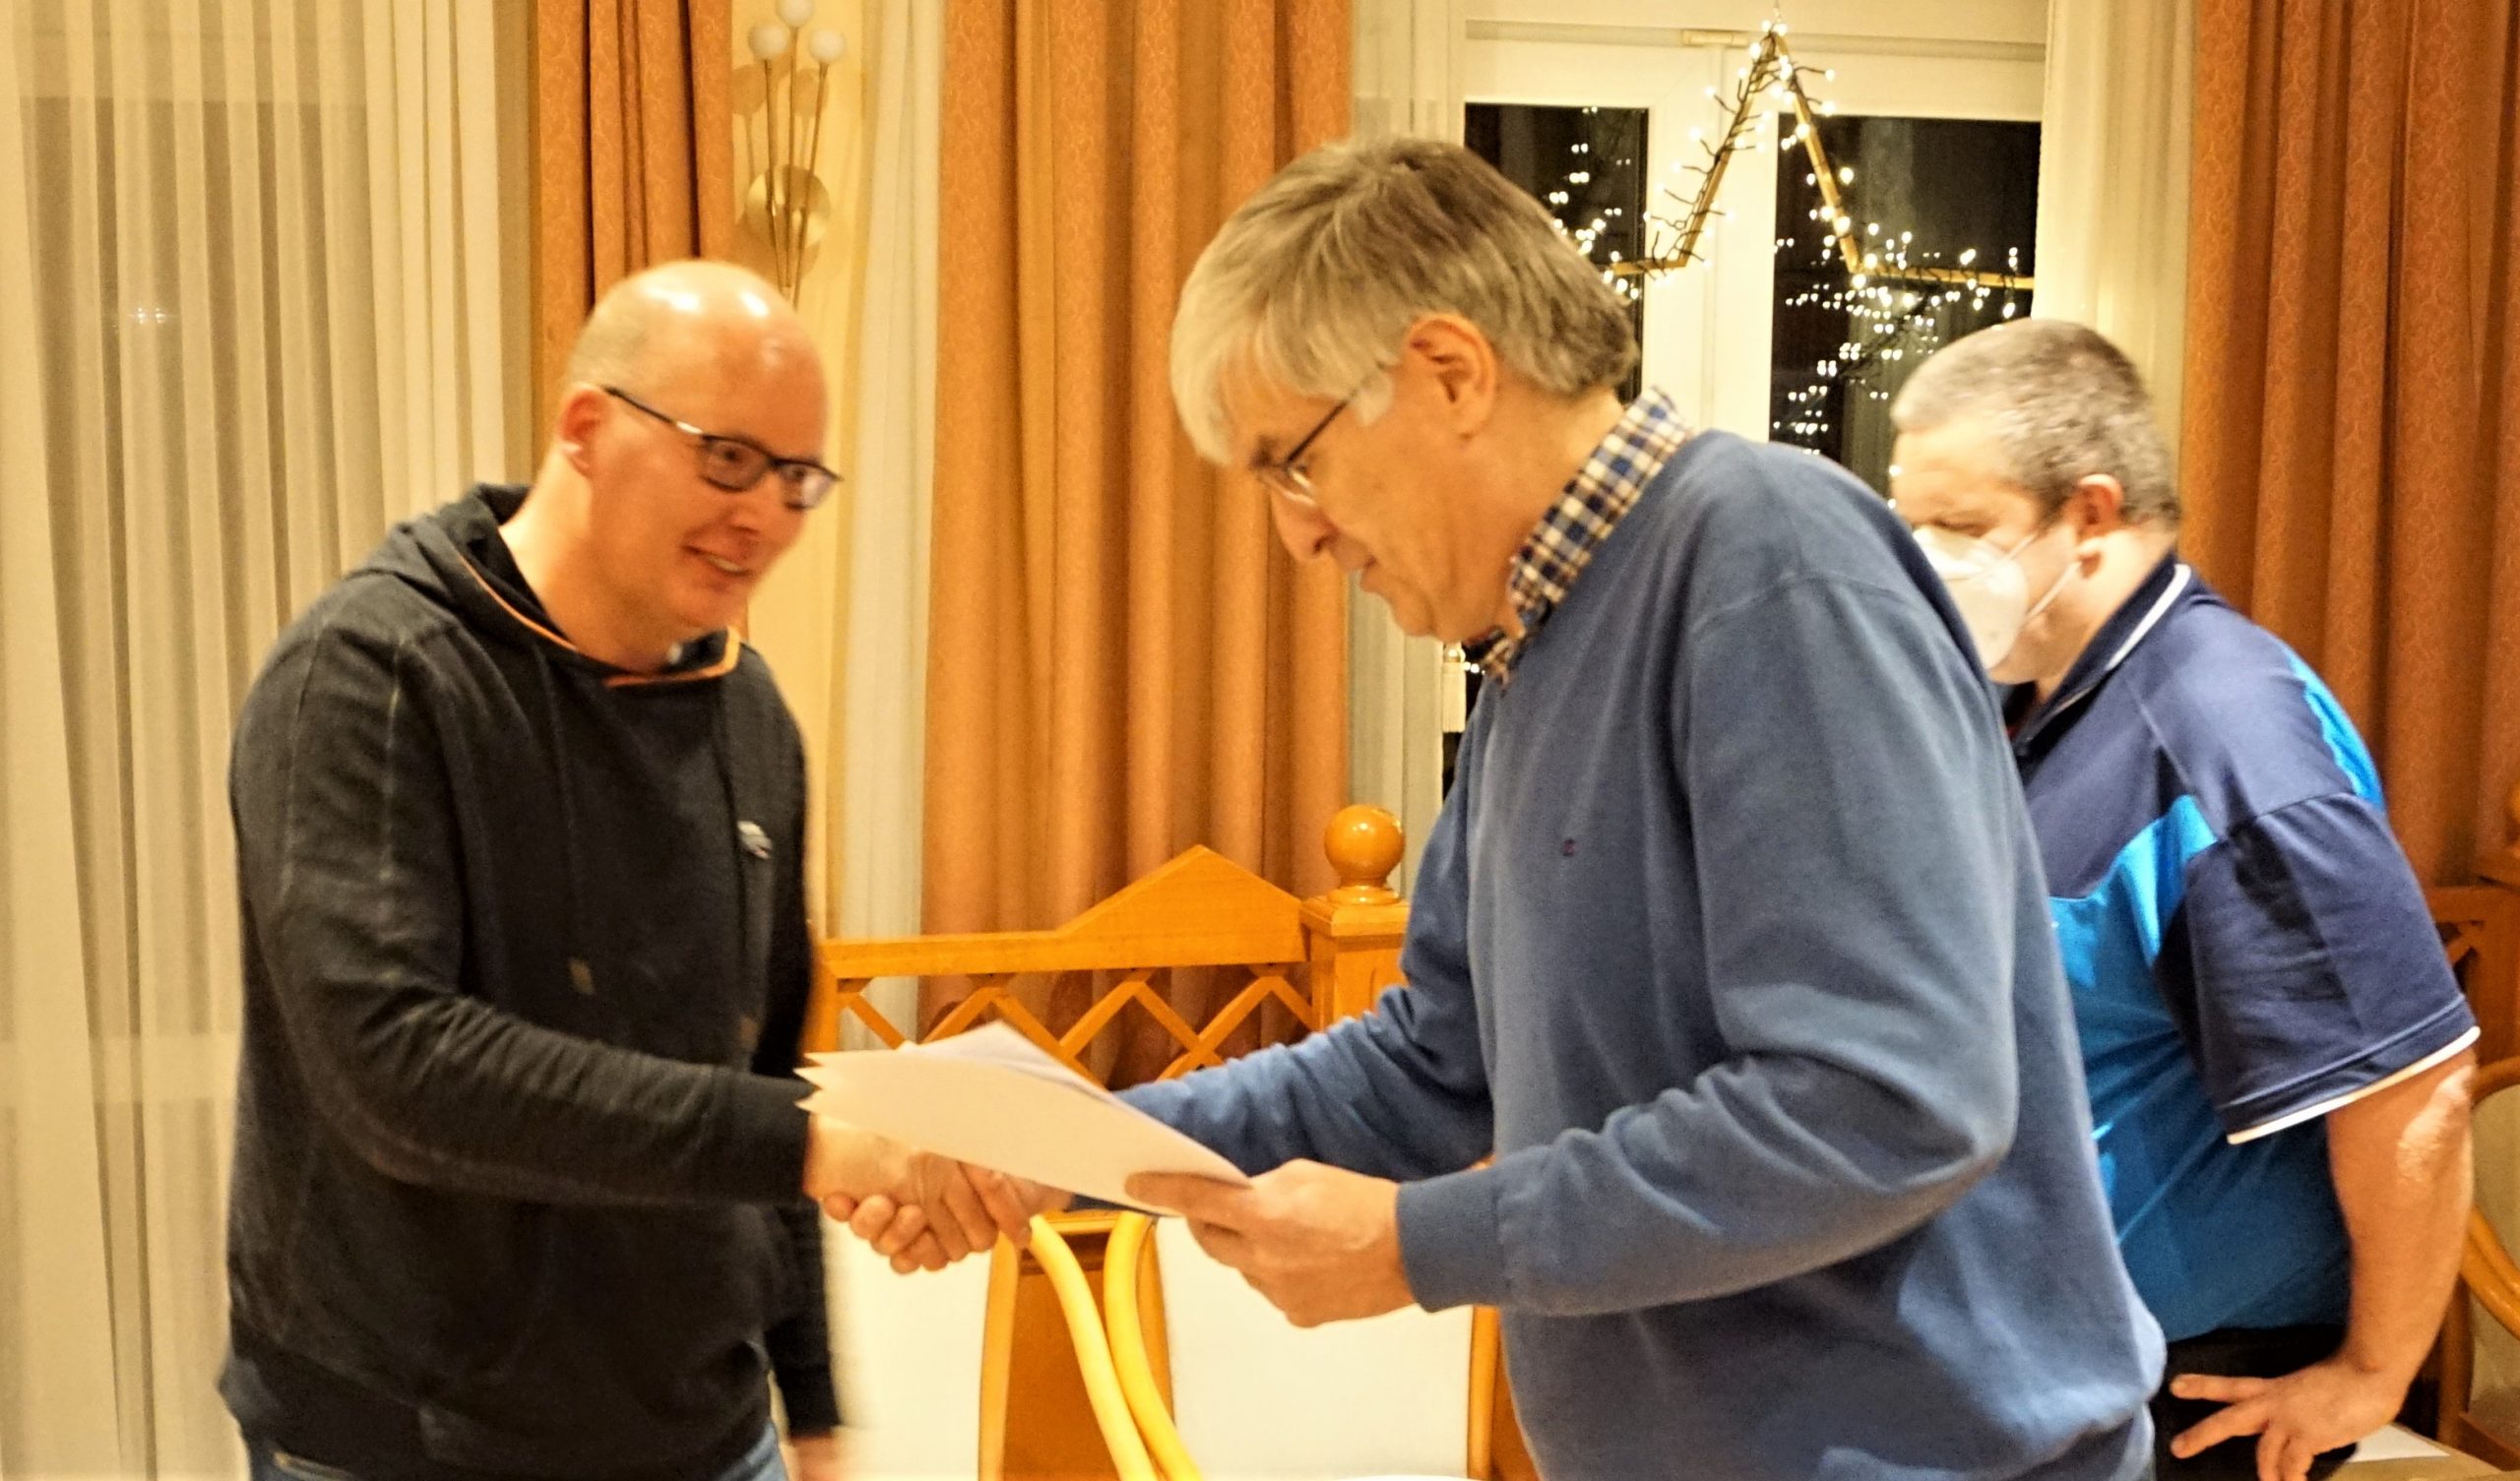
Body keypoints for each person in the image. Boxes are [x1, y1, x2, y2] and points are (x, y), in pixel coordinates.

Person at [849, 137, 2166, 1481]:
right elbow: (1433, 1067)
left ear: (1449, 372)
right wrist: (1056, 1146)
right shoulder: (1535, 654)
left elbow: (1888, 1100)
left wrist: (1421, 1245)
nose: (1296, 532)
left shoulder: (1765, 557)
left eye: (1291, 462)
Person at [220, 260, 1028, 1481]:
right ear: (587, 428)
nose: (763, 515)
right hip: (406, 1440)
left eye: (797, 479)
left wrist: (812, 1403)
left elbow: (768, 1069)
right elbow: (394, 1069)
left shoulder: (749, 712)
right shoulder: (369, 674)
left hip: (711, 1430)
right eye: (727, 458)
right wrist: (814, 1139)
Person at [1888, 319, 2478, 1481]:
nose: (1925, 562)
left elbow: (2411, 1084)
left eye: (1957, 527)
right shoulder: (2037, 705)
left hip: (2186, 1392)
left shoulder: (2221, 737)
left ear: (2089, 515)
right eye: (1911, 525)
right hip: (2033, 1366)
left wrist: (2372, 1373)